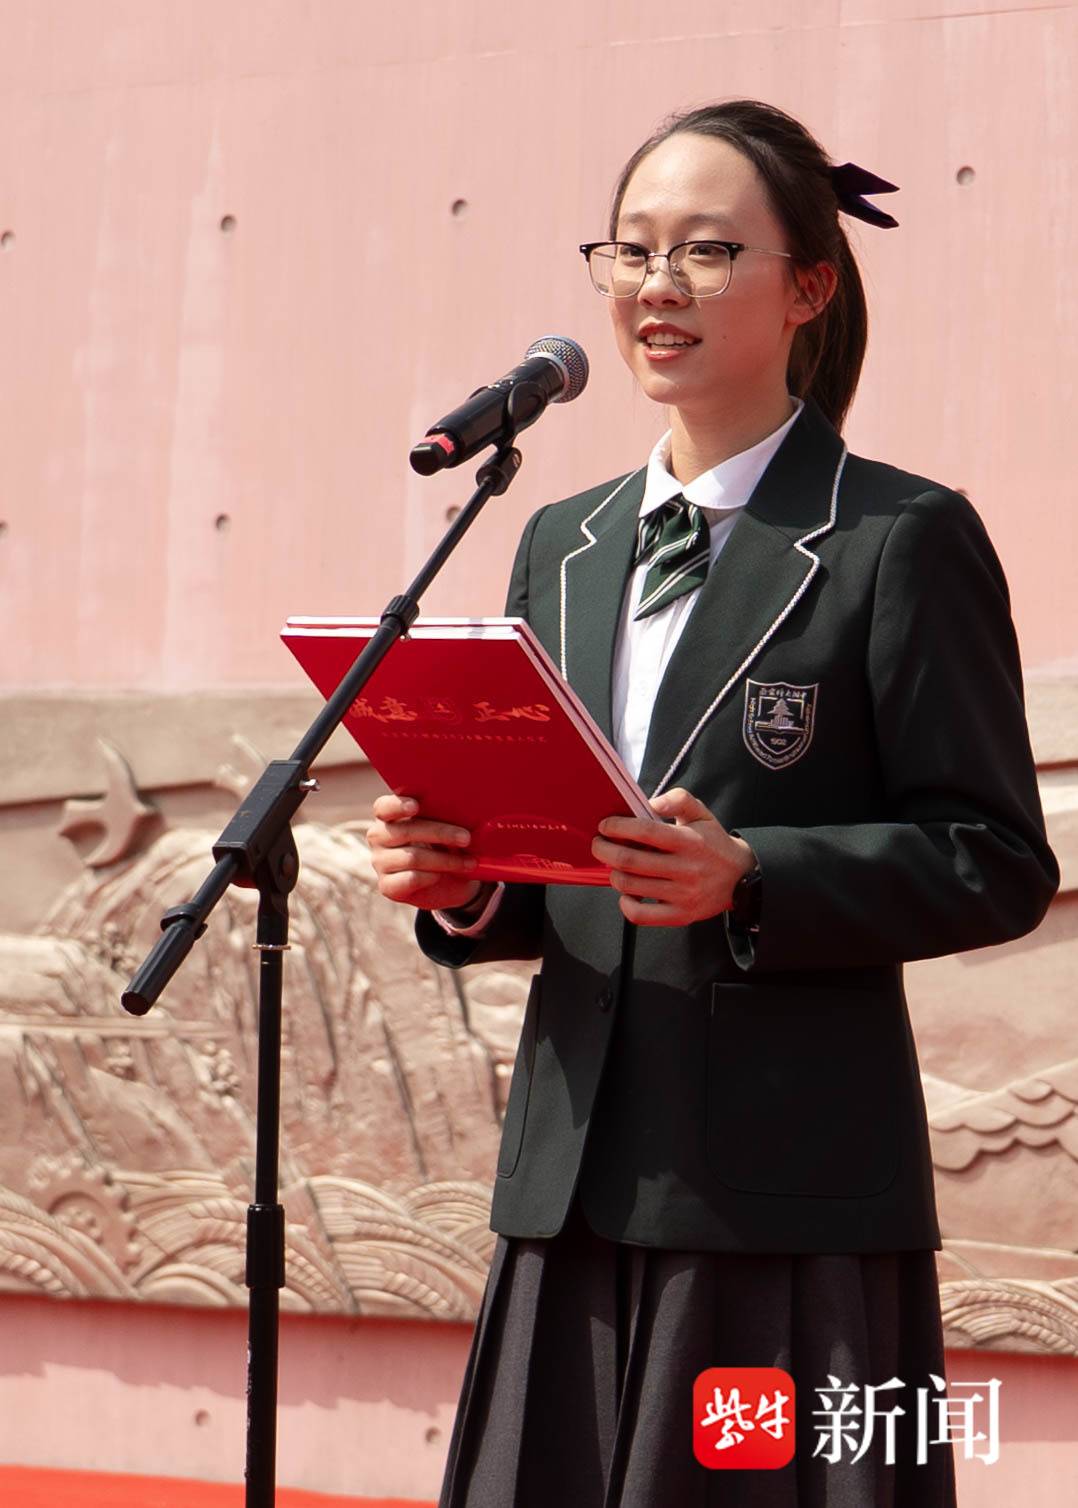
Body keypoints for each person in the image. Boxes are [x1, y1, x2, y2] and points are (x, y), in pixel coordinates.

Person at [366, 99, 1058, 1507]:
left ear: (809, 289)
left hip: (780, 1204)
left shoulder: (898, 537)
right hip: (569, 1183)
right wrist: (472, 885)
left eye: (705, 250)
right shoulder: (560, 542)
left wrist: (754, 875)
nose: (655, 285)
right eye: (630, 250)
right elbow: (565, 856)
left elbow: (993, 857)